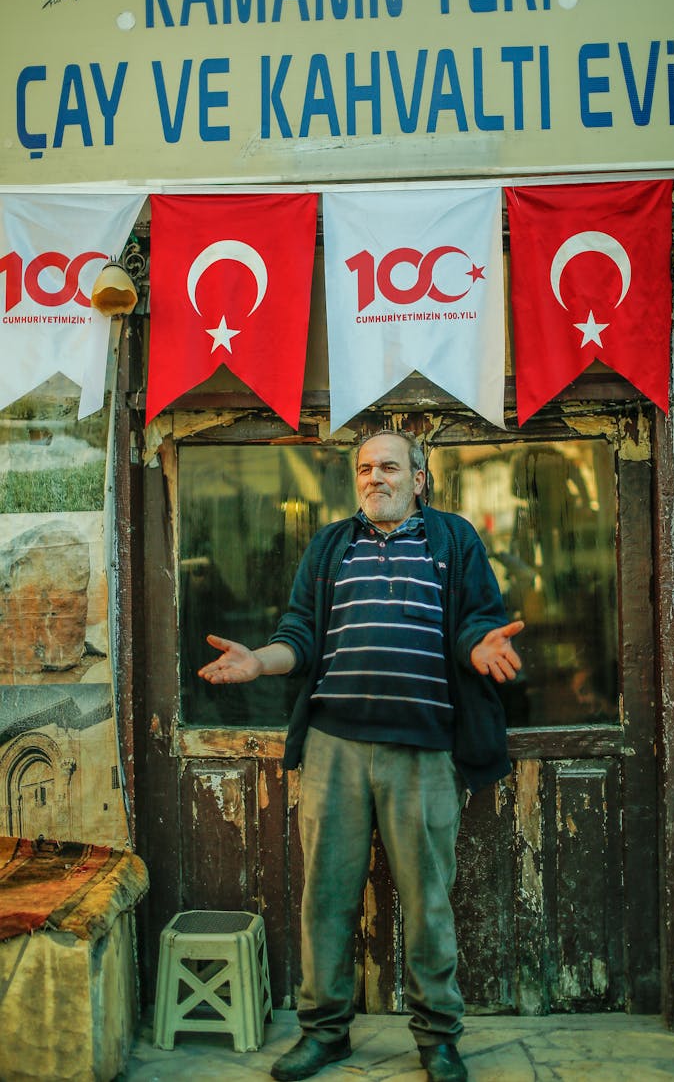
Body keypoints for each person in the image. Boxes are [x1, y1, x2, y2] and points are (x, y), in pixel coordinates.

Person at [198, 430, 524, 1082]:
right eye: (365, 468)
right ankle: (325, 1032)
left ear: (419, 478)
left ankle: (438, 1039)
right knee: (327, 898)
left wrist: (479, 647)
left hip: (423, 750)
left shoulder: (454, 540)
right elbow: (300, 636)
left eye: (391, 467)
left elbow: (472, 623)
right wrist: (259, 661)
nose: (376, 477)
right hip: (334, 749)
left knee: (429, 901)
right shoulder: (329, 545)